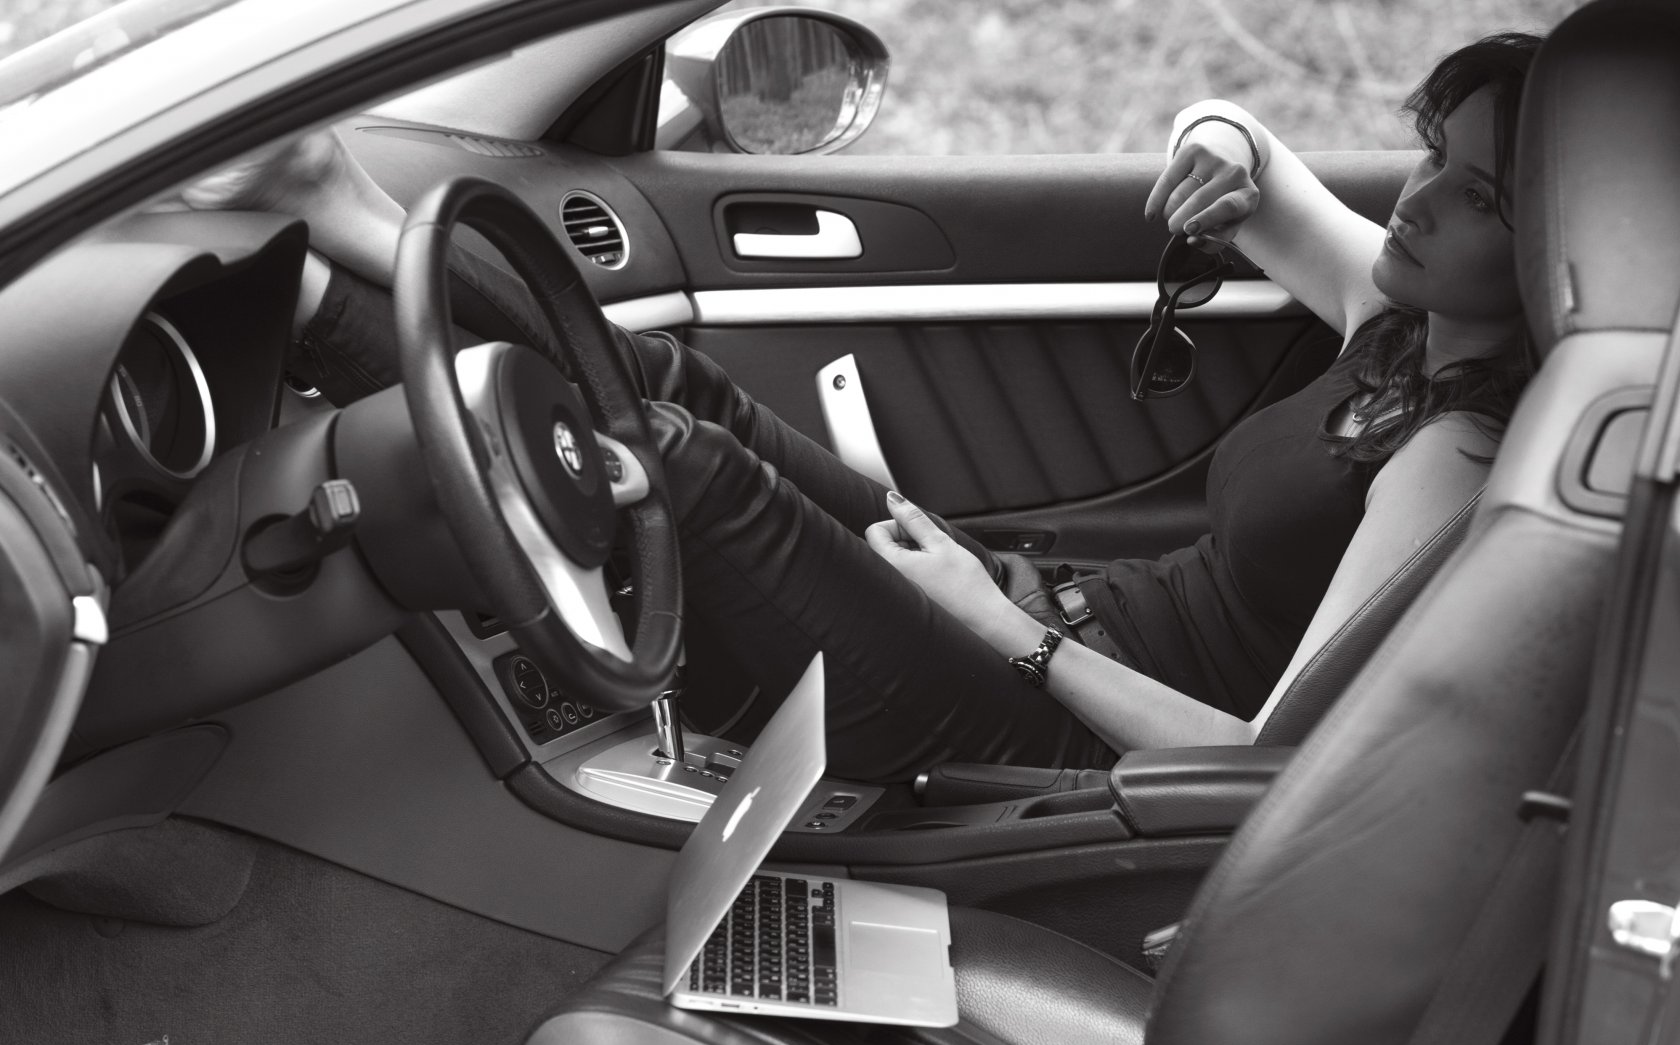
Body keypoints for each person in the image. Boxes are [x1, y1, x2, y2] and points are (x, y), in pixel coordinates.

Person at [186, 31, 1541, 784]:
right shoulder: (1399, 320)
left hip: (1065, 735)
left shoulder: (1460, 457)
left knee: (677, 465)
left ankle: (326, 302)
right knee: (678, 387)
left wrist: (1007, 633)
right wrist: (1219, 140)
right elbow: (1246, 152)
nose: (1415, 201)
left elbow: (1264, 768)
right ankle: (339, 238)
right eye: (1431, 155)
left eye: (1476, 196)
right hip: (1043, 615)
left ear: (1560, 246)